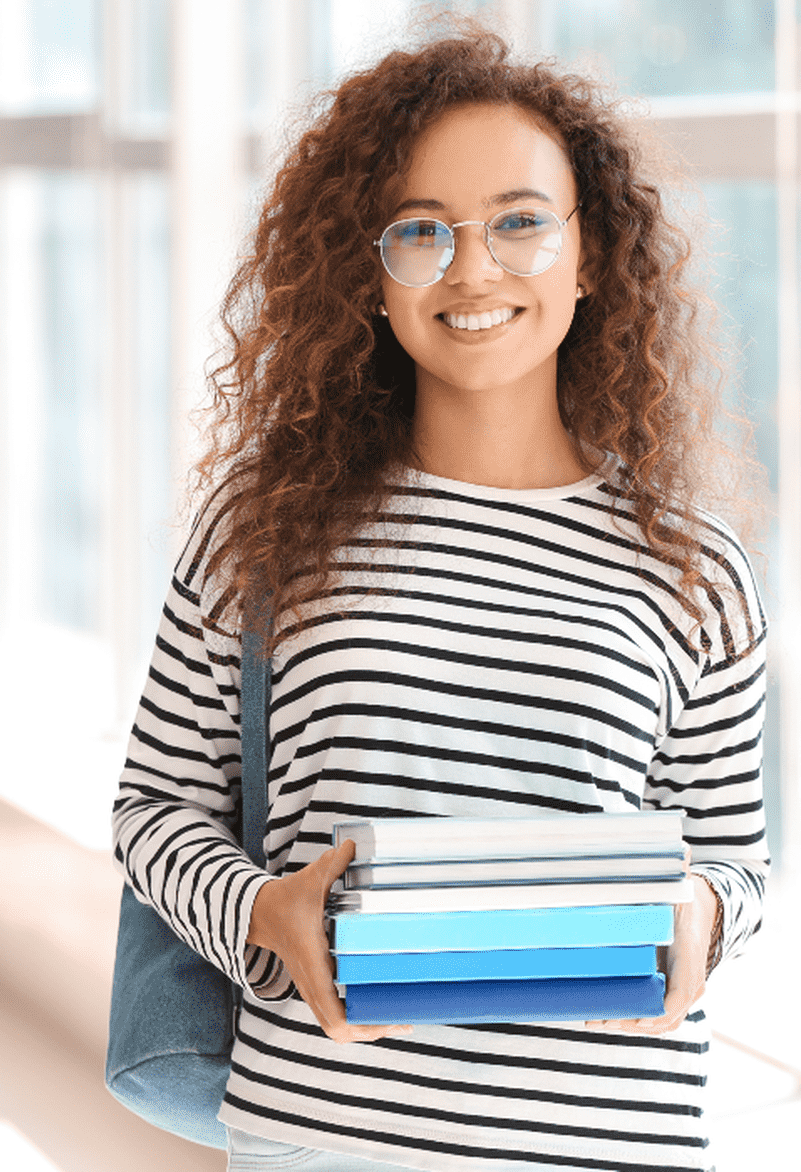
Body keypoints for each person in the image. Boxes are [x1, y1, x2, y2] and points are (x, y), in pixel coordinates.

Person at [112, 21, 768, 1172]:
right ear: (368, 273)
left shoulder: (696, 567)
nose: (473, 268)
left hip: (611, 1136)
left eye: (520, 222)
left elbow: (734, 859)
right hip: (325, 1129)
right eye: (421, 231)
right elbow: (154, 808)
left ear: (590, 252)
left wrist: (704, 915)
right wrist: (267, 912)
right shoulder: (262, 533)